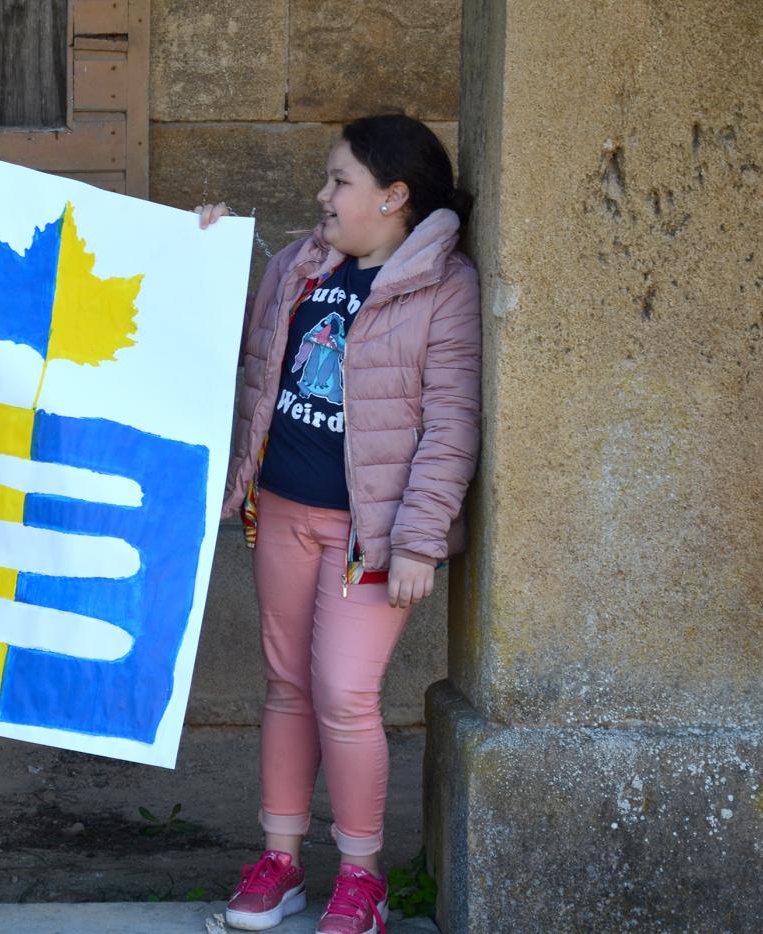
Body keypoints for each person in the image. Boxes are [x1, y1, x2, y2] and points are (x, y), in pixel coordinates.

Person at [198, 114, 481, 934]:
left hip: (373, 538)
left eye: (339, 182)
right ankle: (280, 862)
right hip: (282, 511)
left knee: (345, 695)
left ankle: (363, 878)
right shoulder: (301, 264)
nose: (322, 195)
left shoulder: (444, 286)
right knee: (286, 689)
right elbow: (242, 354)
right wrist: (204, 252)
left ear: (394, 197)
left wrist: (424, 539)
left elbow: (451, 423)